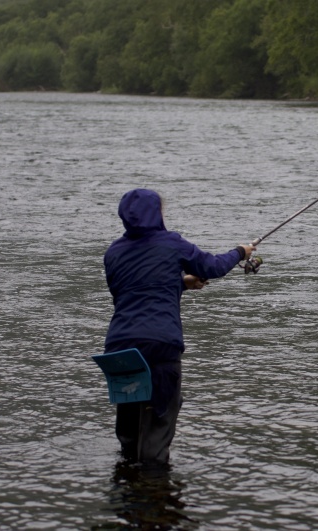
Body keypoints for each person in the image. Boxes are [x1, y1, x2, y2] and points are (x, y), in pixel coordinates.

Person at [103, 188, 255, 465]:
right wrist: (240, 252)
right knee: (157, 427)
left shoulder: (114, 252)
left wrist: (180, 283)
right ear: (156, 214)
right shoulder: (171, 243)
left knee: (130, 427)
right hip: (160, 346)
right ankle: (154, 492)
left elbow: (129, 292)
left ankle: (127, 490)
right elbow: (213, 267)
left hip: (119, 348)